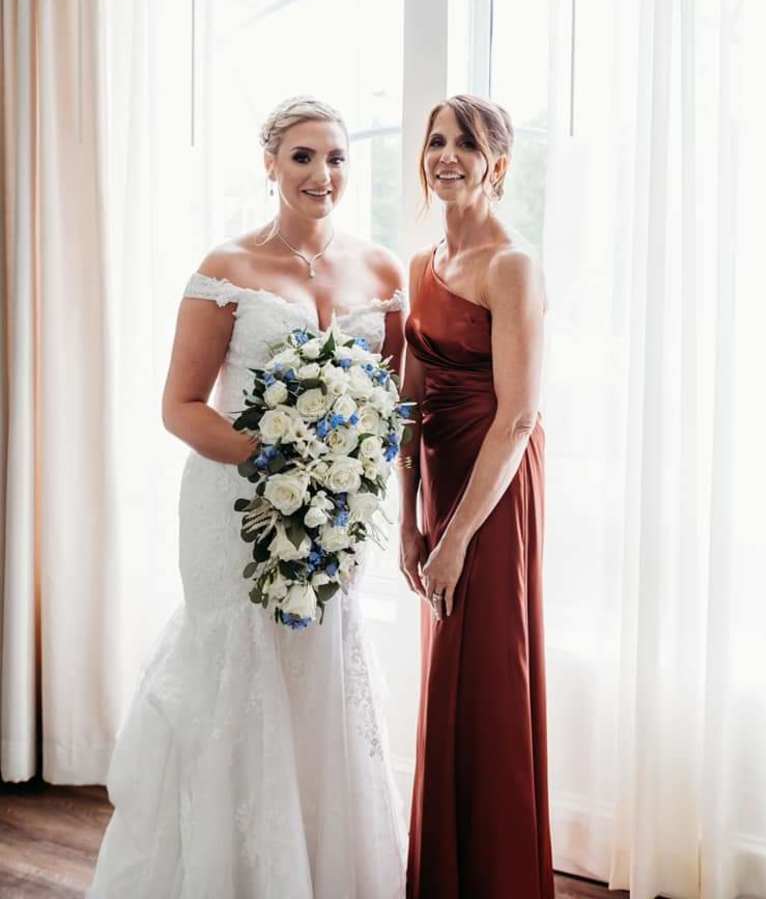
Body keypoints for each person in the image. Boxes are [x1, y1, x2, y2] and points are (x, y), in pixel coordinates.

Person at [88, 96, 408, 899]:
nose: (321, 173)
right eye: (302, 156)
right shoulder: (227, 267)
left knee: (319, 667)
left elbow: (389, 405)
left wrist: (346, 473)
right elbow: (181, 406)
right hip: (235, 507)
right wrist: (274, 456)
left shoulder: (382, 271)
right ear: (270, 164)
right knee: (238, 667)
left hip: (333, 514)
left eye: (335, 157)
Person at [400, 95, 554, 899]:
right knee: (445, 676)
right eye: (437, 141)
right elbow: (407, 397)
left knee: (488, 672)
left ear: (499, 163)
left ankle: (497, 878)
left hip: (493, 491)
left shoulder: (510, 265)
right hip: (439, 486)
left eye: (466, 143)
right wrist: (407, 517)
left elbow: (519, 415)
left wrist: (457, 538)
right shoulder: (422, 264)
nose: (447, 156)